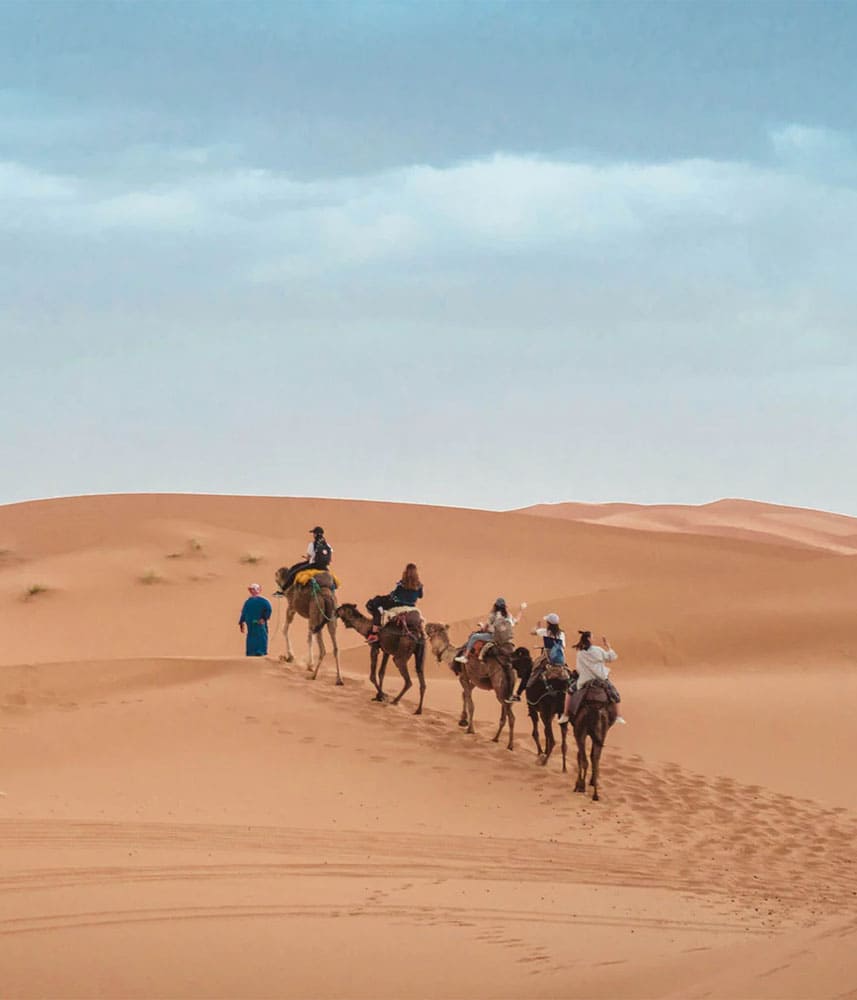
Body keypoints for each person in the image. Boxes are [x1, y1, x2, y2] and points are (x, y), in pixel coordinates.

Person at [455, 598, 521, 703]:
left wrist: (482, 626)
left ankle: (465, 656)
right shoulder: (508, 616)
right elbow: (516, 621)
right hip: (508, 642)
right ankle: (512, 693)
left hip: (494, 638)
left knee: (474, 637)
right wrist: (521, 610)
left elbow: (486, 629)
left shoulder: (493, 616)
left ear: (495, 606)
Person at [559, 630, 625, 725]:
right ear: (589, 639)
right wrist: (608, 646)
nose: (593, 639)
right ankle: (618, 716)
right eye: (592, 637)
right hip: (601, 680)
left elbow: (578, 668)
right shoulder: (598, 650)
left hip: (584, 681)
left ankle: (565, 715)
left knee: (569, 692)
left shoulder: (580, 653)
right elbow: (611, 657)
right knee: (616, 695)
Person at [365, 564, 424, 643]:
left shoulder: (401, 583)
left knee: (377, 605)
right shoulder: (419, 585)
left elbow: (394, 595)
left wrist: (391, 597)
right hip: (411, 605)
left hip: (397, 604)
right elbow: (420, 596)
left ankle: (374, 633)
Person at [278, 526, 333, 592]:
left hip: (314, 565)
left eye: (314, 533)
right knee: (332, 581)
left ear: (315, 534)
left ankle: (283, 590)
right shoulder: (328, 545)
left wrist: (308, 558)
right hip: (324, 567)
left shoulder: (312, 544)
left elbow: (309, 558)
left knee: (294, 571)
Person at [239, 583, 273, 657]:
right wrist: (241, 622)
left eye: (253, 589)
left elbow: (268, 610)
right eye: (251, 589)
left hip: (259, 623)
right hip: (250, 623)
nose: (252, 591)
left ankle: (261, 651)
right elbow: (244, 612)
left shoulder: (264, 601)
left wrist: (264, 618)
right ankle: (251, 652)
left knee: (261, 636)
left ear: (258, 590)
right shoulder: (248, 602)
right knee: (251, 637)